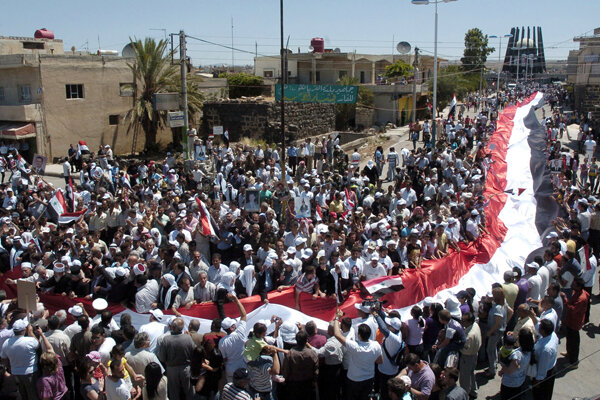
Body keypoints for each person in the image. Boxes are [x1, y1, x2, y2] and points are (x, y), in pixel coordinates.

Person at [333, 309, 383, 400]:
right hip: (369, 379)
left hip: (354, 380)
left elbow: (337, 334)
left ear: (359, 335)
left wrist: (337, 318)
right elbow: (380, 361)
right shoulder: (376, 346)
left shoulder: (354, 347)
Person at [156, 318, 195, 400]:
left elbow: (162, 358)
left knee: (174, 393)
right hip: (186, 368)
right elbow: (194, 352)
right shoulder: (187, 338)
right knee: (189, 391)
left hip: (171, 369)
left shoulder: (166, 340)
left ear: (172, 327)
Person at [0, 319, 40, 400]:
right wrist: (31, 332)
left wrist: (10, 368)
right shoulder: (30, 341)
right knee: (33, 395)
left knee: (22, 396)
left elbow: (3, 358)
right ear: (24, 330)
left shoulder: (7, 343)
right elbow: (38, 344)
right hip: (30, 373)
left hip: (15, 373)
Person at [561, 277, 589, 369]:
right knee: (569, 339)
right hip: (570, 321)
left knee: (574, 342)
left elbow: (572, 309)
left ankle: (573, 362)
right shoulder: (577, 292)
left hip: (574, 323)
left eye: (574, 284)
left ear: (579, 287)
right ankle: (569, 353)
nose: (572, 285)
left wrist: (565, 299)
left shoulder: (581, 298)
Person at [281, 330, 319, 400]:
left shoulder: (290, 354)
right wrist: (314, 380)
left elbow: (286, 369)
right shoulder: (312, 353)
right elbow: (316, 369)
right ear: (306, 340)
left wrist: (285, 379)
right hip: (308, 384)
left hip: (294, 386)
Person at [218, 293, 248, 382]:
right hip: (242, 368)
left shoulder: (221, 342)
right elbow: (243, 315)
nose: (235, 324)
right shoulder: (240, 334)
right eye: (233, 324)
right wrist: (236, 299)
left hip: (230, 370)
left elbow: (224, 358)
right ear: (231, 327)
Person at [532, 319, 558, 400]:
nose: (538, 328)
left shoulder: (546, 349)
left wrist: (538, 380)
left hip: (545, 373)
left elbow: (543, 366)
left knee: (541, 395)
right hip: (550, 367)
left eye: (540, 327)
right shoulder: (553, 334)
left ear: (543, 331)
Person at [458, 312, 481, 399]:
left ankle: (465, 395)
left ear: (469, 322)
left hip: (467, 357)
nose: (462, 322)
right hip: (475, 354)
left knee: (464, 378)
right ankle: (473, 391)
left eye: (463, 321)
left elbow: (464, 349)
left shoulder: (469, 336)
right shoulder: (475, 325)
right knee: (471, 373)